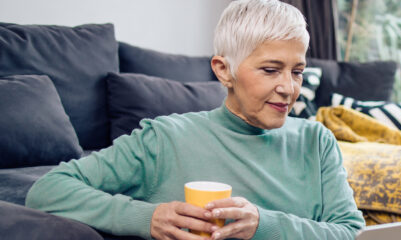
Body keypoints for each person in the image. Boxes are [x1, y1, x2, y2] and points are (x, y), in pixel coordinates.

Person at [25, 0, 365, 239]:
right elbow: (49, 190)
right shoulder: (165, 139)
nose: (288, 88)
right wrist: (148, 217)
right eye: (271, 70)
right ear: (223, 70)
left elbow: (349, 232)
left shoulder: (316, 142)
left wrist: (262, 224)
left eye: (298, 71)